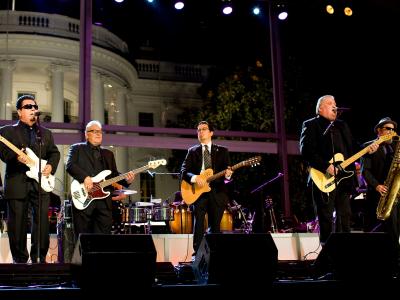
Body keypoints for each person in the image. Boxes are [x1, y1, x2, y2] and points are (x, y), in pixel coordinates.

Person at [299, 95, 377, 245]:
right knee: (326, 218)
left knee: (345, 217)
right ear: (320, 109)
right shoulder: (311, 124)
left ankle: (344, 254)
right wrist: (325, 166)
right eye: (330, 104)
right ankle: (328, 259)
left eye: (335, 103)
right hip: (323, 178)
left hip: (344, 179)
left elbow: (354, 147)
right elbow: (306, 151)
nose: (334, 106)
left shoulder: (342, 126)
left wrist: (368, 148)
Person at [0, 94, 60, 263]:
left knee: (41, 223)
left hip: (40, 183)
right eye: (28, 107)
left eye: (34, 106)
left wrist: (50, 166)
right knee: (17, 224)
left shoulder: (45, 133)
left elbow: (54, 153)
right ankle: (19, 261)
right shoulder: (7, 131)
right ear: (19, 112)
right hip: (17, 181)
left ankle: (38, 258)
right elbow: (3, 153)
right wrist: (15, 156)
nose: (33, 109)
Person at [66, 120, 135, 238]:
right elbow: (70, 166)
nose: (98, 134)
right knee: (83, 239)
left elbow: (113, 175)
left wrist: (127, 180)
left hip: (104, 203)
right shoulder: (77, 149)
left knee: (103, 240)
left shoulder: (108, 154)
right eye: (94, 131)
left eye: (100, 132)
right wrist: (85, 178)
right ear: (86, 134)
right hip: (84, 200)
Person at [180, 121, 233, 260]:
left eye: (204, 129)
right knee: (198, 225)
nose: (201, 132)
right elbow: (184, 171)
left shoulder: (222, 151)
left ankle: (213, 256)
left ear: (211, 133)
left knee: (215, 227)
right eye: (198, 130)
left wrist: (228, 175)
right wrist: (195, 178)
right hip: (198, 193)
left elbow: (227, 175)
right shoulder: (192, 151)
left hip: (217, 192)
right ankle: (197, 256)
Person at [360, 117, 399, 242]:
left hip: (395, 192)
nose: (391, 132)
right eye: (388, 129)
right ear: (379, 130)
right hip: (379, 193)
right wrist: (377, 185)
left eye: (393, 129)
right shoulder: (368, 146)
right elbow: (364, 171)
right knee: (388, 229)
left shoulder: (396, 147)